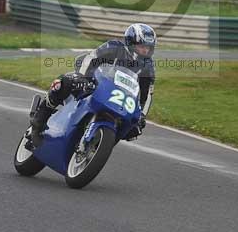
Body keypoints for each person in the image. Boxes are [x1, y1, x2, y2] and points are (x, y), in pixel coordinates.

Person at [29, 24, 157, 146]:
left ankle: (97, 144)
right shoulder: (114, 47)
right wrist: (84, 78)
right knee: (64, 82)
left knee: (132, 126)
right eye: (142, 46)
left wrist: (142, 116)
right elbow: (91, 58)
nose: (145, 50)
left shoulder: (148, 67)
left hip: (118, 98)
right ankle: (39, 119)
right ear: (131, 42)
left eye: (148, 47)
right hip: (93, 83)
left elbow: (147, 94)